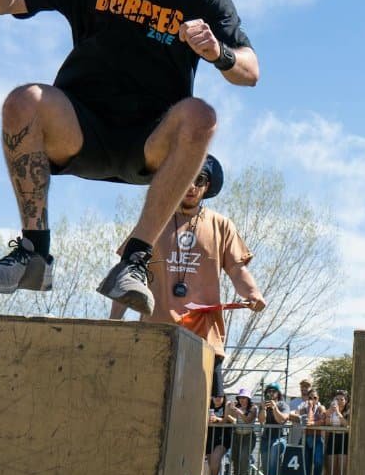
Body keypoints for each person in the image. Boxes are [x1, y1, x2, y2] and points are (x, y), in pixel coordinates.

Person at [0, 0, 259, 326]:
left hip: (150, 146)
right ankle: (33, 254)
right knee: (24, 100)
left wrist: (218, 52)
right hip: (81, 130)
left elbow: (250, 71)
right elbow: (2, 1)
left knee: (201, 115)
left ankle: (135, 260)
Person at [109, 154, 266, 403]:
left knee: (197, 408)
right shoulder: (153, 221)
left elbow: (237, 270)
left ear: (208, 185)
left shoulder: (221, 225)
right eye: (186, 178)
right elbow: (126, 271)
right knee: (150, 403)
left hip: (204, 336)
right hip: (157, 330)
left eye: (200, 179)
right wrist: (113, 321)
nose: (192, 186)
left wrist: (252, 294)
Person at [290, 389, 326, 475]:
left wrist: (310, 422)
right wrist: (307, 413)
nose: (312, 400)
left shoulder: (321, 407)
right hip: (305, 438)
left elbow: (322, 420)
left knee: (318, 463)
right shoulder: (303, 407)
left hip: (317, 438)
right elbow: (292, 415)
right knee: (306, 464)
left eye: (315, 398)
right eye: (310, 398)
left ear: (318, 398)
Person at [225, 388, 257, 475]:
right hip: (236, 436)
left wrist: (238, 412)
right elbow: (228, 418)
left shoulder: (253, 408)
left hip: (248, 437)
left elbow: (248, 420)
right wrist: (228, 408)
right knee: (236, 463)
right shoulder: (236, 407)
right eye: (240, 397)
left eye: (244, 397)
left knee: (244, 463)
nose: (242, 400)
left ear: (248, 398)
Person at [257, 383, 289, 475]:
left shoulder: (283, 404)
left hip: (279, 437)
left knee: (274, 462)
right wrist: (263, 409)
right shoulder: (263, 405)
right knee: (266, 465)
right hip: (266, 437)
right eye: (269, 391)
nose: (271, 393)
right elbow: (262, 420)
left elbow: (282, 420)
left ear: (278, 393)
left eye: (273, 391)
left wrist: (274, 408)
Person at [324, 390, 350, 475]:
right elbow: (327, 423)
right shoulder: (331, 410)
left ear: (346, 400)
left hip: (344, 439)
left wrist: (339, 413)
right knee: (331, 469)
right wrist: (330, 413)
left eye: (342, 399)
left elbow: (347, 424)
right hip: (333, 439)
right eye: (337, 399)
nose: (339, 401)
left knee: (342, 470)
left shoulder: (349, 411)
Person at [203, 394, 231, 475]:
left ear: (224, 397)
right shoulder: (207, 406)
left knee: (215, 458)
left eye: (220, 396)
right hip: (209, 437)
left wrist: (217, 419)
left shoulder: (227, 407)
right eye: (215, 396)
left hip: (222, 438)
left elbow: (227, 419)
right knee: (212, 464)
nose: (218, 398)